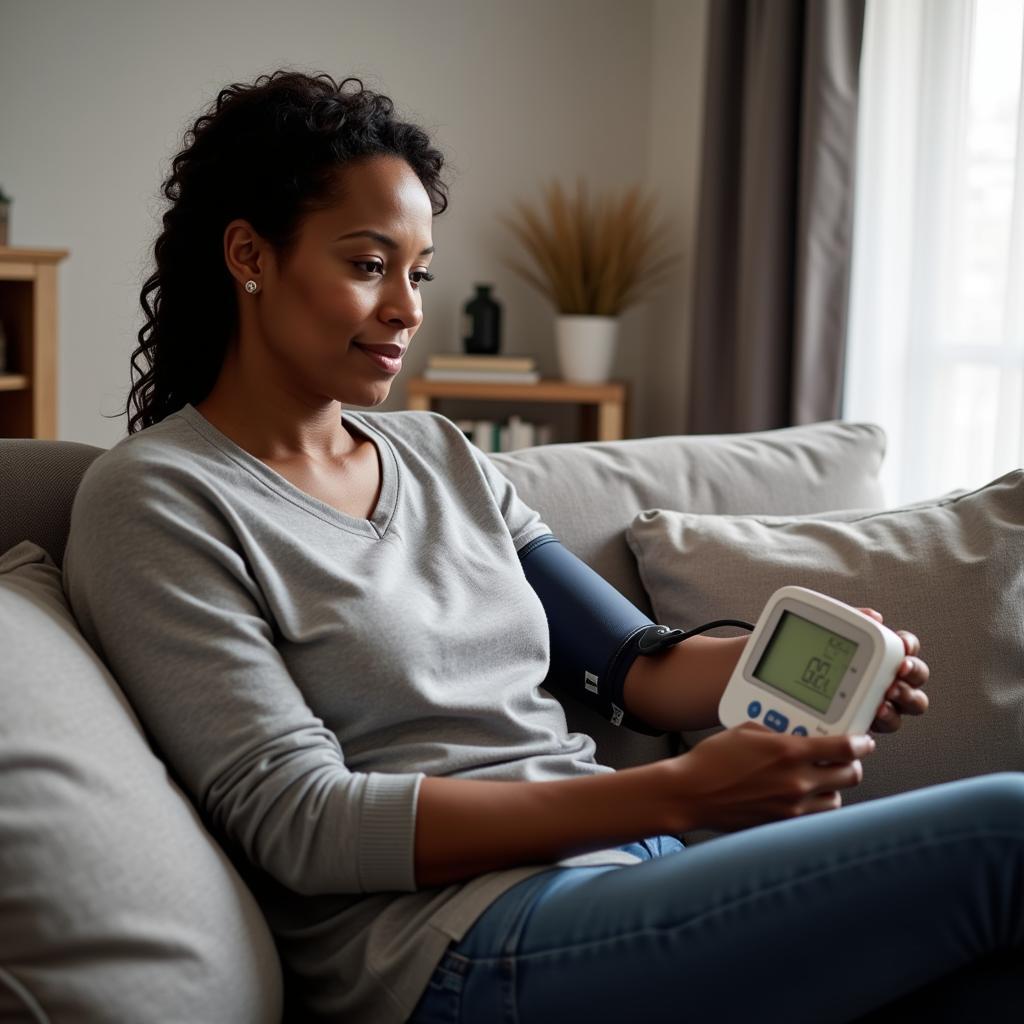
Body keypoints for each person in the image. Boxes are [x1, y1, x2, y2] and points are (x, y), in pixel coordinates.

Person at [62, 70, 1023, 1024]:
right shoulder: (159, 498)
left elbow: (637, 668)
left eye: (419, 271)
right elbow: (301, 821)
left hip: (633, 872)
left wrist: (826, 668)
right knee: (1007, 827)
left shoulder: (439, 454)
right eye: (368, 265)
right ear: (249, 254)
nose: (409, 308)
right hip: (464, 943)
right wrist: (676, 794)